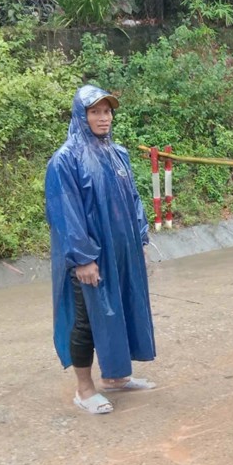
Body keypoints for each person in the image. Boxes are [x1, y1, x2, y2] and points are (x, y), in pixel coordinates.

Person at [45, 84, 157, 414]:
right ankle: (84, 389)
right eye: (95, 111)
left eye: (107, 111)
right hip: (91, 256)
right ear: (82, 116)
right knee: (86, 320)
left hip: (122, 251)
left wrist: (140, 238)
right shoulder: (65, 160)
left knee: (120, 307)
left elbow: (133, 200)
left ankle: (117, 378)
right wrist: (82, 259)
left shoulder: (117, 153)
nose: (103, 117)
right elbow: (66, 213)